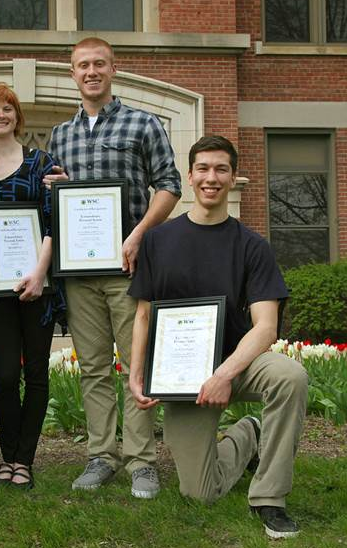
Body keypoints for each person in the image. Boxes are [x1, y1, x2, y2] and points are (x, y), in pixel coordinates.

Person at [128, 136, 308, 539]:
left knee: (290, 376)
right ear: (190, 177)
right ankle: (250, 432)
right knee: (200, 492)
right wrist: (136, 373)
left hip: (237, 361)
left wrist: (225, 373)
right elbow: (143, 313)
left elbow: (265, 326)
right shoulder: (158, 240)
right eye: (204, 169)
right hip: (183, 375)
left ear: (233, 177)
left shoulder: (252, 246)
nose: (212, 178)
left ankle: (269, 498)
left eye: (221, 169)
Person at [46, 37, 181, 496]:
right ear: (73, 73)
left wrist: (138, 232)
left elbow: (168, 185)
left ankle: (142, 461)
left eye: (98, 64)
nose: (91, 72)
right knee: (94, 367)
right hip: (80, 273)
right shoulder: (60, 135)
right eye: (82, 65)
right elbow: (60, 200)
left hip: (129, 266)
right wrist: (58, 187)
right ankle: (102, 455)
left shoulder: (143, 123)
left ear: (113, 69)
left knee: (135, 365)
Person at [0, 83, 66, 489]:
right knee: (7, 375)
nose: (0, 114)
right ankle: (7, 456)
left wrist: (39, 273)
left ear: (17, 116)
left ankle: (24, 460)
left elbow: (52, 221)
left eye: (7, 108)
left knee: (39, 373)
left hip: (38, 286)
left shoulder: (40, 161)